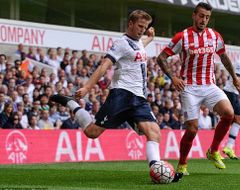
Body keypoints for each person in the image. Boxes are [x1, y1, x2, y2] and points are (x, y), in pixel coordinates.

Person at [50, 10, 182, 182]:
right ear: (130, 24)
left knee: (154, 132)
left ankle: (157, 173)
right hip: (122, 95)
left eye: (145, 27)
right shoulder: (121, 43)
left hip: (139, 98)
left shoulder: (139, 41)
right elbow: (105, 65)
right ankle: (71, 104)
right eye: (140, 26)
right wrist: (88, 87)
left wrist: (151, 36)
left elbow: (142, 43)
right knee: (92, 132)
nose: (142, 30)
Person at [156, 2, 240, 174]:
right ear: (193, 15)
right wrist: (173, 77)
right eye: (201, 16)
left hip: (209, 85)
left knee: (229, 114)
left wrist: (235, 77)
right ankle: (182, 164)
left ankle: (213, 151)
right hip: (189, 87)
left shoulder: (215, 36)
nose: (203, 20)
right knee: (192, 129)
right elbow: (161, 58)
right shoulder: (182, 37)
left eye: (207, 17)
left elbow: (224, 57)